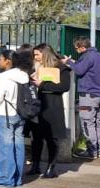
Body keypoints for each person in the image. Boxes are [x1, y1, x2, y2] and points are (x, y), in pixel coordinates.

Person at [0, 50, 32, 188]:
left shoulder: (2, 77)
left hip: (3, 114)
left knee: (4, 148)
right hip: (19, 114)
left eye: (0, 59)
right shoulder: (24, 75)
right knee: (18, 147)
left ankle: (4, 179)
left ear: (7, 61)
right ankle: (16, 179)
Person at [30, 45, 70, 178]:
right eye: (34, 55)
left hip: (52, 106)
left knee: (52, 138)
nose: (35, 58)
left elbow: (64, 86)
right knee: (36, 137)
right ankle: (35, 165)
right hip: (37, 106)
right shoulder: (36, 67)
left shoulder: (61, 68)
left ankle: (51, 167)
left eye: (37, 55)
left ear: (45, 54)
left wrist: (41, 84)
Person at [64, 37, 100, 160]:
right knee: (97, 123)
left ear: (82, 47)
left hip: (88, 94)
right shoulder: (97, 55)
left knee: (87, 123)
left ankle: (92, 151)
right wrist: (74, 62)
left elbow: (79, 70)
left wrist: (69, 62)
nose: (76, 50)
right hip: (98, 94)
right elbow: (86, 68)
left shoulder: (88, 56)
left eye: (76, 48)